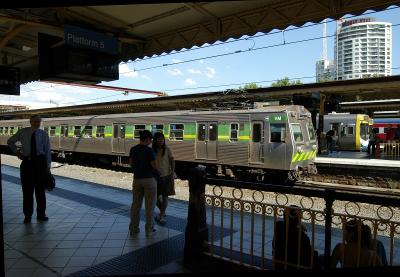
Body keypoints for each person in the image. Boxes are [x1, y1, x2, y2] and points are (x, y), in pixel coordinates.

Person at [7, 115, 51, 224]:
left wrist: (48, 167)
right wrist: (17, 152)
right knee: (27, 191)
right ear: (30, 122)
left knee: (40, 191)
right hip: (27, 163)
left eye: (38, 121)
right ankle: (27, 215)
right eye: (35, 121)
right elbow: (10, 141)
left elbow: (47, 151)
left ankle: (41, 214)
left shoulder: (44, 134)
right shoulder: (23, 132)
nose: (37, 123)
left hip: (40, 164)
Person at [129, 130, 159, 237]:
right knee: (149, 207)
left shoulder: (133, 149)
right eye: (151, 139)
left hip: (136, 180)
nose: (151, 141)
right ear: (147, 139)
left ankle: (133, 229)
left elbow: (131, 164)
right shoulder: (149, 150)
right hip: (149, 180)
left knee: (135, 206)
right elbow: (154, 165)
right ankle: (149, 230)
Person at [272, 206, 318, 270]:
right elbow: (309, 256)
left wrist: (296, 225)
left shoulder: (278, 227)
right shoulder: (302, 237)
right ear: (299, 219)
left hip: (278, 265)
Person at [152, 132, 175, 225]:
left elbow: (172, 160)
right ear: (155, 140)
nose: (161, 141)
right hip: (155, 177)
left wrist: (172, 172)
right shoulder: (152, 150)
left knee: (165, 197)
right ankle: (162, 211)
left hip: (166, 176)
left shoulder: (167, 149)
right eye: (158, 139)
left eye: (162, 139)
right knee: (155, 198)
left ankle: (161, 216)